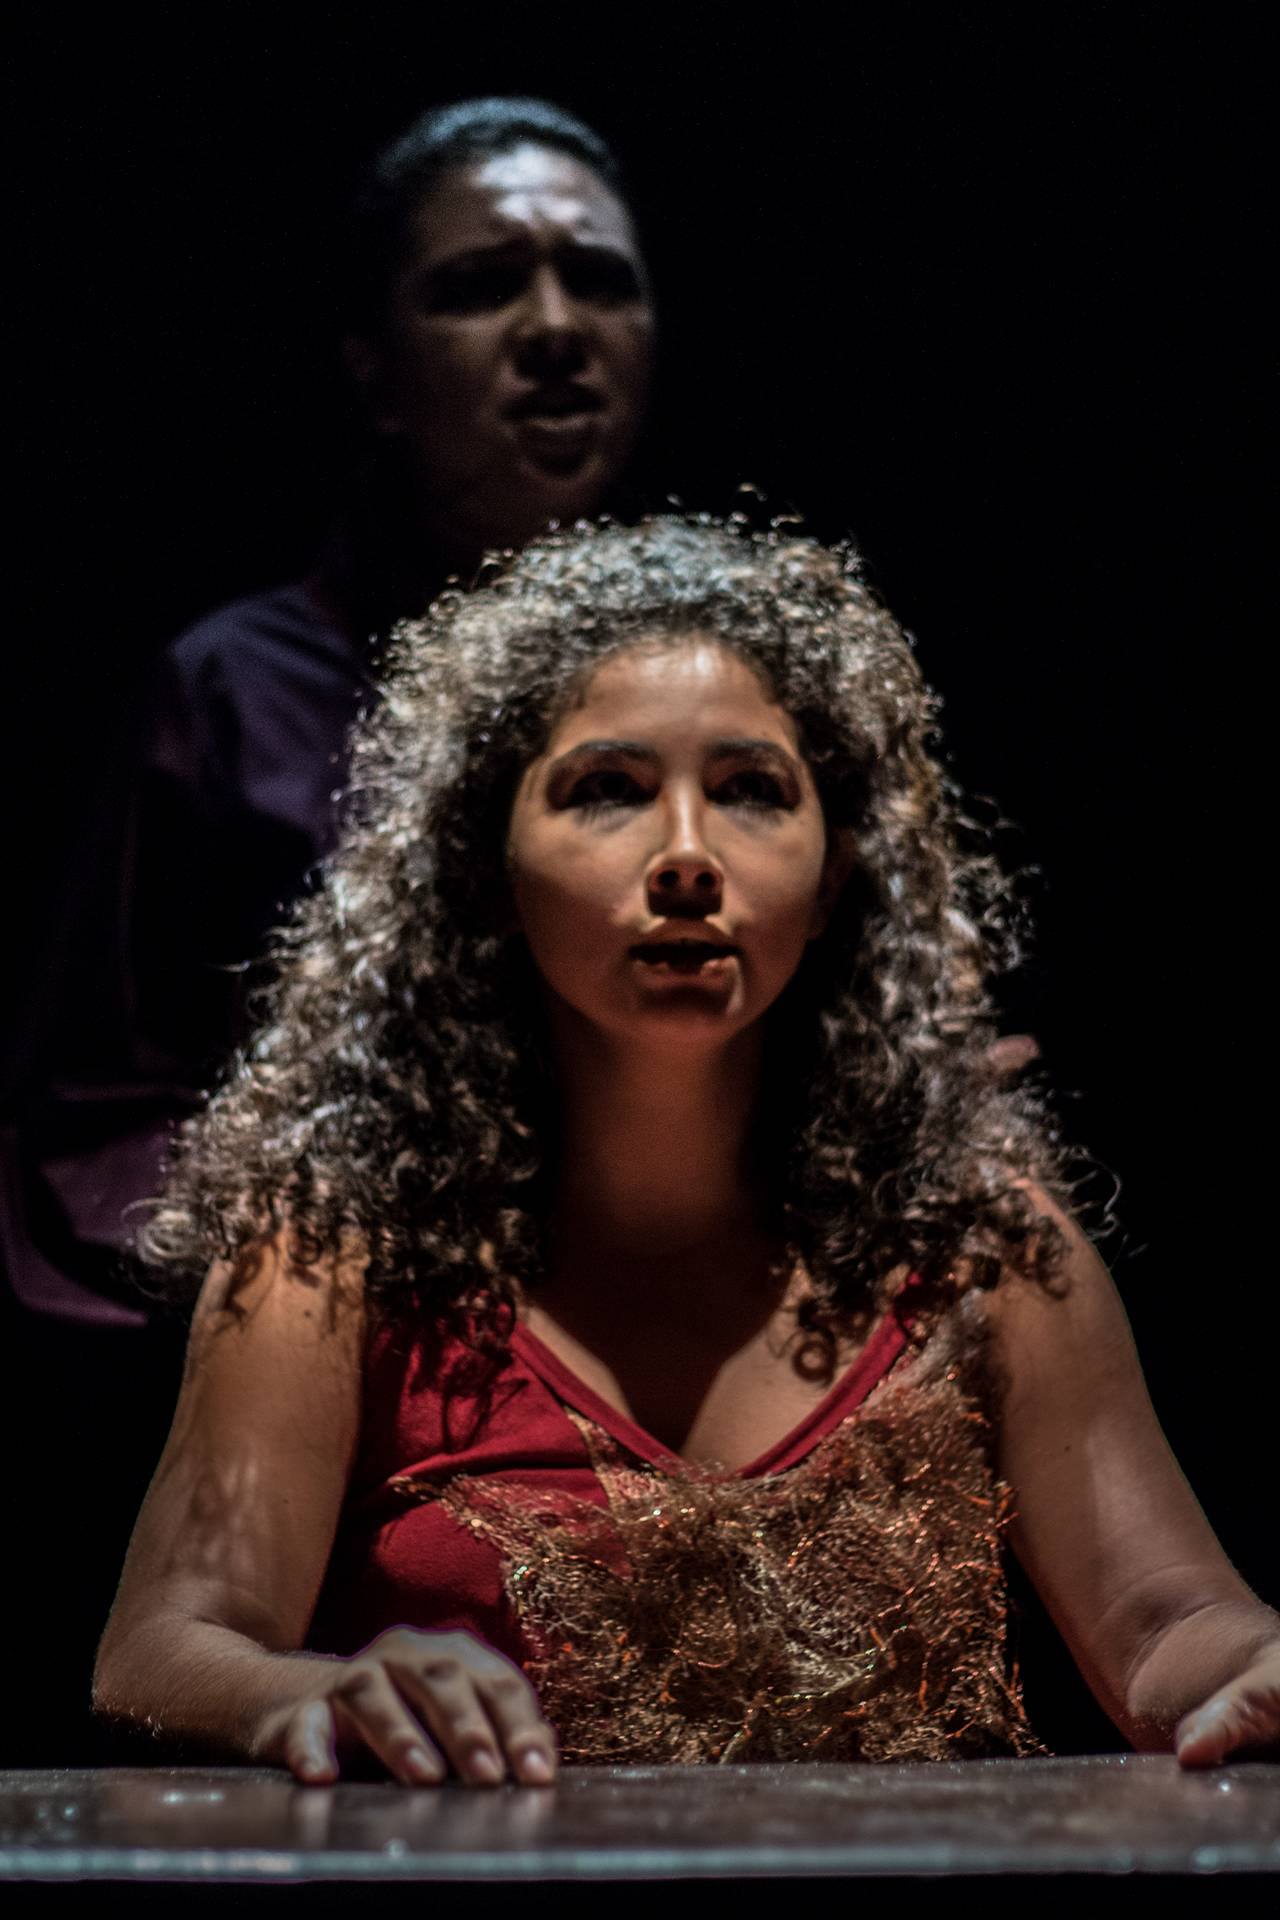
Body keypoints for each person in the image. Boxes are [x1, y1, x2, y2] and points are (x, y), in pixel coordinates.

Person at [94, 518, 1278, 1780]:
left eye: (750, 790)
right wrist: (314, 1695)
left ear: (832, 877)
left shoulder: (979, 1250)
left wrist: (1256, 1666)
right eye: (605, 789)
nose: (685, 859)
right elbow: (162, 1652)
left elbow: (1169, 1631)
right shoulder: (331, 1260)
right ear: (488, 869)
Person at [0, 99, 654, 1765]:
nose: (555, 326)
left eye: (597, 277)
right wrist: (325, 1266)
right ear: (374, 370)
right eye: (481, 284)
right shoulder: (236, 697)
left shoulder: (720, 699)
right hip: (338, 1432)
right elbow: (89, 1133)